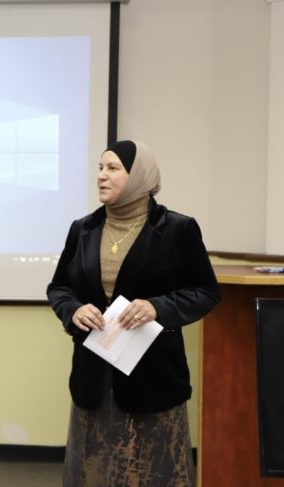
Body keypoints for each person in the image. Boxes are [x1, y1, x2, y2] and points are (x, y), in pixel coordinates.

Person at [46, 140, 220, 486]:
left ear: (139, 176)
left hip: (153, 379)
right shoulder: (83, 229)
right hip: (94, 378)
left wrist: (158, 307)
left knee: (153, 474)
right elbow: (59, 287)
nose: (102, 176)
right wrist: (73, 310)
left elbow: (205, 292)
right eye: (100, 168)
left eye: (113, 168)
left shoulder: (178, 229)